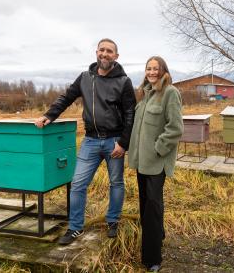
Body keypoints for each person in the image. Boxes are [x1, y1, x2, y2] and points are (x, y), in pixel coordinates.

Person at [35, 38, 136, 245]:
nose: (105, 54)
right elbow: (66, 97)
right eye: (102, 50)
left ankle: (113, 221)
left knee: (116, 182)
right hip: (90, 141)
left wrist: (124, 143)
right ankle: (75, 228)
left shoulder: (124, 82)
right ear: (96, 52)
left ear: (116, 56)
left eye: (109, 51)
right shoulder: (84, 78)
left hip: (114, 140)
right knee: (78, 184)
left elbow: (130, 114)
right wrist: (49, 115)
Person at [128, 56, 183, 272]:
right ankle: (158, 236)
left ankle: (152, 259)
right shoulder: (145, 94)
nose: (151, 72)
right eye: (148, 69)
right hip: (142, 162)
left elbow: (175, 128)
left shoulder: (170, 92)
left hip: (156, 162)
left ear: (163, 71)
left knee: (151, 207)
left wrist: (159, 149)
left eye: (155, 69)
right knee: (147, 204)